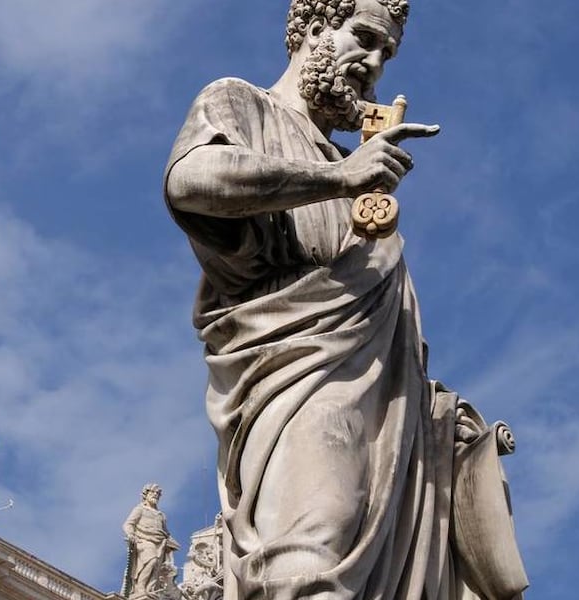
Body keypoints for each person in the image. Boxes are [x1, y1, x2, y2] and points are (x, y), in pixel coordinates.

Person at [164, 1, 527, 599]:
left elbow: (388, 344)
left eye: (388, 53)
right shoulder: (240, 102)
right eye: (364, 37)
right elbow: (191, 180)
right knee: (308, 562)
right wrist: (340, 178)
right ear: (313, 30)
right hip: (295, 378)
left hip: (381, 414)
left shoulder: (352, 166)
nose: (375, 61)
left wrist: (439, 418)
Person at [121, 484, 180, 599]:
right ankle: (140, 588)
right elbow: (128, 524)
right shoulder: (140, 509)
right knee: (151, 560)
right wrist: (131, 534)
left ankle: (149, 589)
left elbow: (165, 532)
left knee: (156, 568)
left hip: (160, 543)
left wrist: (171, 542)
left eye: (158, 494)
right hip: (143, 540)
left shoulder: (161, 515)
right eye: (153, 492)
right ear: (146, 494)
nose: (155, 495)